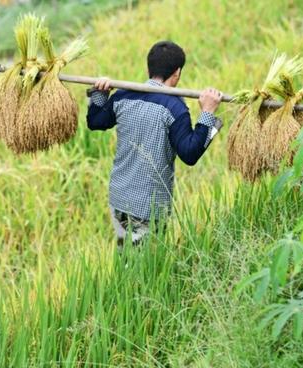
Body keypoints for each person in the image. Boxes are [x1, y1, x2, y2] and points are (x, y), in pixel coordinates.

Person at [86, 40, 223, 246]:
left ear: (148, 68)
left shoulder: (123, 96)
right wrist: (207, 113)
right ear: (177, 73)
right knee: (144, 267)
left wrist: (100, 93)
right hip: (148, 209)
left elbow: (95, 121)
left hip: (119, 199)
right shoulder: (175, 109)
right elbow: (190, 154)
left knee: (126, 255)